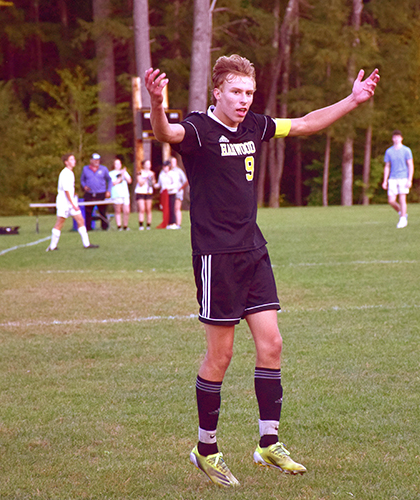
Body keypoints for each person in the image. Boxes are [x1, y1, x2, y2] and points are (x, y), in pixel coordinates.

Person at [145, 54, 379, 487]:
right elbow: (166, 132)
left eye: (249, 93)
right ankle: (206, 448)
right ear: (217, 92)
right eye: (235, 92)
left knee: (272, 344)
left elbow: (306, 123)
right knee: (222, 355)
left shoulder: (255, 126)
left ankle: (268, 443)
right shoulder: (198, 128)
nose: (243, 100)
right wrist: (158, 103)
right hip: (217, 257)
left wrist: (351, 100)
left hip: (254, 251)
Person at [46, 153, 99, 251]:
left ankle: (86, 244)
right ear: (66, 162)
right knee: (60, 223)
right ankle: (52, 246)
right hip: (64, 202)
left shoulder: (70, 173)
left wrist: (74, 196)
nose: (74, 161)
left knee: (80, 220)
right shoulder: (65, 173)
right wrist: (73, 203)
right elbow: (66, 191)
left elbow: (70, 189)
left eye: (74, 159)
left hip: (70, 201)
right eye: (71, 159)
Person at [381, 130, 414, 229]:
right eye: (394, 137)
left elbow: (410, 165)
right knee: (391, 200)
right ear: (392, 139)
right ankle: (402, 213)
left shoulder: (406, 150)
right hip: (393, 178)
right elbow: (387, 166)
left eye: (398, 137)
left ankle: (403, 219)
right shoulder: (389, 151)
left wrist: (409, 179)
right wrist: (385, 180)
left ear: (401, 138)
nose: (396, 139)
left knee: (402, 198)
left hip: (403, 177)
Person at [80, 153, 112, 230]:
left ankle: (104, 227)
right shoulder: (85, 169)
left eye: (98, 160)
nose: (96, 161)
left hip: (101, 193)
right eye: (95, 160)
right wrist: (84, 186)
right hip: (89, 193)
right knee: (88, 211)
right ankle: (88, 227)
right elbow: (82, 180)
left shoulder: (104, 169)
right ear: (91, 160)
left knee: (102, 211)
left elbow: (109, 179)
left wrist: (108, 190)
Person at [110, 158, 133, 231]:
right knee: (118, 210)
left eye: (119, 164)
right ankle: (119, 226)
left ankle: (125, 226)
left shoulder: (124, 172)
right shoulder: (111, 173)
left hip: (125, 193)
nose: (118, 165)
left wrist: (124, 174)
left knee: (126, 210)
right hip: (117, 194)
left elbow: (129, 181)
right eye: (116, 164)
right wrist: (121, 176)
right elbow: (113, 183)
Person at [156, 159, 180, 229]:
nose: (164, 168)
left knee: (171, 207)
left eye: (166, 166)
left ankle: (173, 222)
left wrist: (168, 188)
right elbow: (160, 184)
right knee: (165, 208)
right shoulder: (162, 174)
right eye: (164, 166)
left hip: (171, 193)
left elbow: (175, 184)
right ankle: (167, 222)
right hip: (164, 194)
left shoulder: (173, 174)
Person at [134, 159, 156, 230]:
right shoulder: (140, 173)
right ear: (143, 165)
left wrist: (152, 179)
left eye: (149, 164)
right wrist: (146, 177)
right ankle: (141, 225)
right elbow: (140, 183)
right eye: (146, 164)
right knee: (142, 208)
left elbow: (153, 183)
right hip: (141, 192)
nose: (148, 166)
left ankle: (148, 225)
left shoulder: (152, 173)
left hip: (148, 192)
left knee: (148, 209)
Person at [170, 156, 189, 229]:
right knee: (172, 207)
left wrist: (180, 188)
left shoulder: (179, 171)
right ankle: (172, 222)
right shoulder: (168, 171)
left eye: (174, 162)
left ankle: (178, 224)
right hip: (171, 192)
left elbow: (186, 180)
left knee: (177, 207)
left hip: (178, 192)